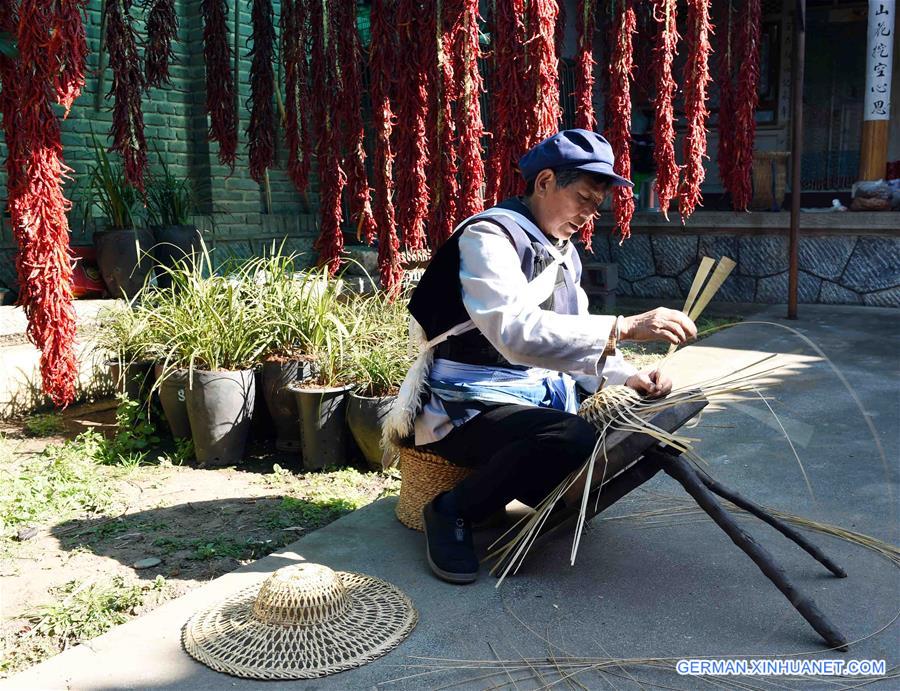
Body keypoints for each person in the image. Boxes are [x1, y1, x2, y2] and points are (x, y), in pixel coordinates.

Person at [394, 129, 697, 584]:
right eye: (583, 198)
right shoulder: (488, 237)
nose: (590, 214)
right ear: (545, 181)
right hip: (465, 406)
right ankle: (450, 510)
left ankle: (528, 484)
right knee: (570, 437)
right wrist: (626, 326)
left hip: (530, 398)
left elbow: (569, 337)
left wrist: (627, 376)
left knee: (593, 446)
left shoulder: (564, 254)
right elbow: (515, 333)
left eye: (597, 205)